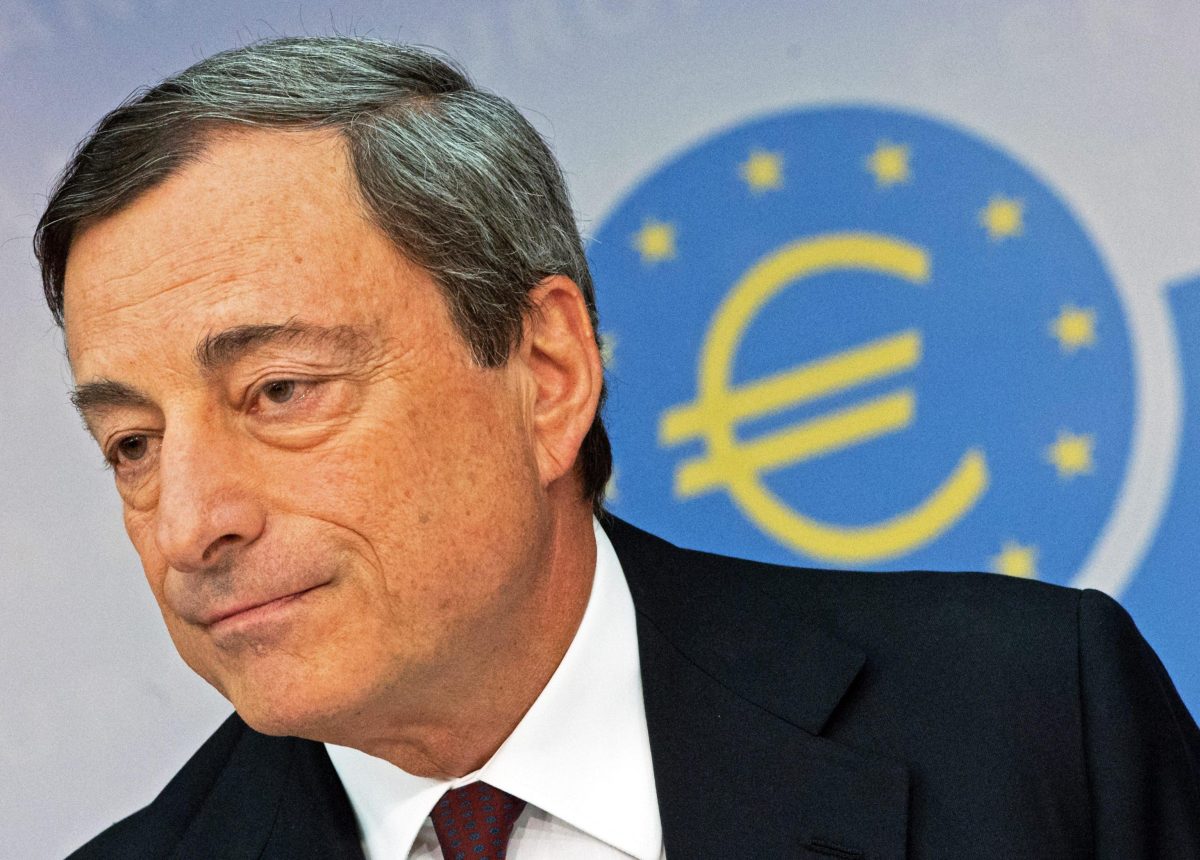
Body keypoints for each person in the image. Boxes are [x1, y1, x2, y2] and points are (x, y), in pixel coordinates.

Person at [37, 36, 1199, 860]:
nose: (190, 523)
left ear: (546, 373)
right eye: (131, 442)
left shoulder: (1032, 723)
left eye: (280, 390)